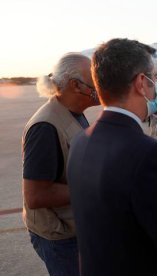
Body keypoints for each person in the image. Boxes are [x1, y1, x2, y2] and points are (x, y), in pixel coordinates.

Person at [66, 38, 157, 276]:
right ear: (142, 82)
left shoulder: (80, 141)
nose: (155, 86)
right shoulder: (150, 154)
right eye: (153, 78)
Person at [21, 53, 98, 276]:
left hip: (77, 228)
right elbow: (36, 196)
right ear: (76, 85)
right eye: (94, 80)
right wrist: (96, 188)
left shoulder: (74, 114)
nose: (100, 85)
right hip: (61, 239)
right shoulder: (45, 127)